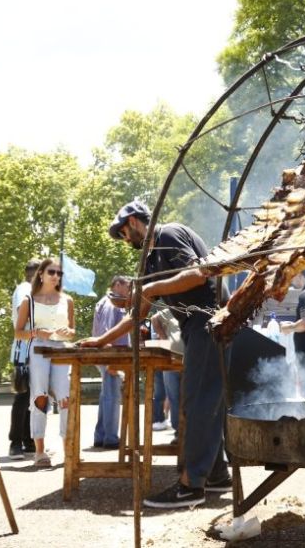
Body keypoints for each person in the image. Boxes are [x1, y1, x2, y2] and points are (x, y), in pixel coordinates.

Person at [80, 200, 232, 509]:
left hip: (210, 321)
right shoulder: (150, 263)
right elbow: (137, 314)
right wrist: (101, 341)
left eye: (123, 233)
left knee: (198, 401)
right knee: (204, 400)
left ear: (134, 222)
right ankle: (216, 476)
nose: (124, 240)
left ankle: (191, 487)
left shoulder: (169, 236)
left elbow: (197, 273)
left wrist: (148, 290)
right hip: (195, 328)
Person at [15, 257, 76, 468]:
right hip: (38, 348)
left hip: (61, 349)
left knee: (65, 396)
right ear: (41, 274)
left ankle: (69, 448)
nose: (56, 276)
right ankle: (39, 451)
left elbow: (72, 332)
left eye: (59, 273)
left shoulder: (67, 300)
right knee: (39, 396)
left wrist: (68, 333)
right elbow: (17, 332)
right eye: (52, 272)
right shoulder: (28, 300)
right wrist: (35, 332)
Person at [91, 275, 131, 450]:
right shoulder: (112, 304)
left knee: (106, 396)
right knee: (112, 397)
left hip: (109, 355)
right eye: (128, 286)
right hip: (111, 355)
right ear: (117, 285)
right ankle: (111, 438)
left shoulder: (106, 302)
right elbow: (107, 334)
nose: (130, 290)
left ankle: (101, 436)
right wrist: (111, 361)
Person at [8, 259, 39, 459]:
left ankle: (28, 441)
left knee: (32, 397)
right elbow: (22, 313)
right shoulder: (25, 289)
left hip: (34, 348)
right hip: (24, 349)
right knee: (22, 396)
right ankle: (15, 442)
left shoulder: (34, 292)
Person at [151, 307, 184, 443]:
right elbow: (154, 319)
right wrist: (164, 337)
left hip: (191, 359)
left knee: (190, 397)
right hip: (171, 359)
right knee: (174, 397)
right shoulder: (170, 309)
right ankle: (178, 432)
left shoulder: (195, 308)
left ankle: (191, 433)